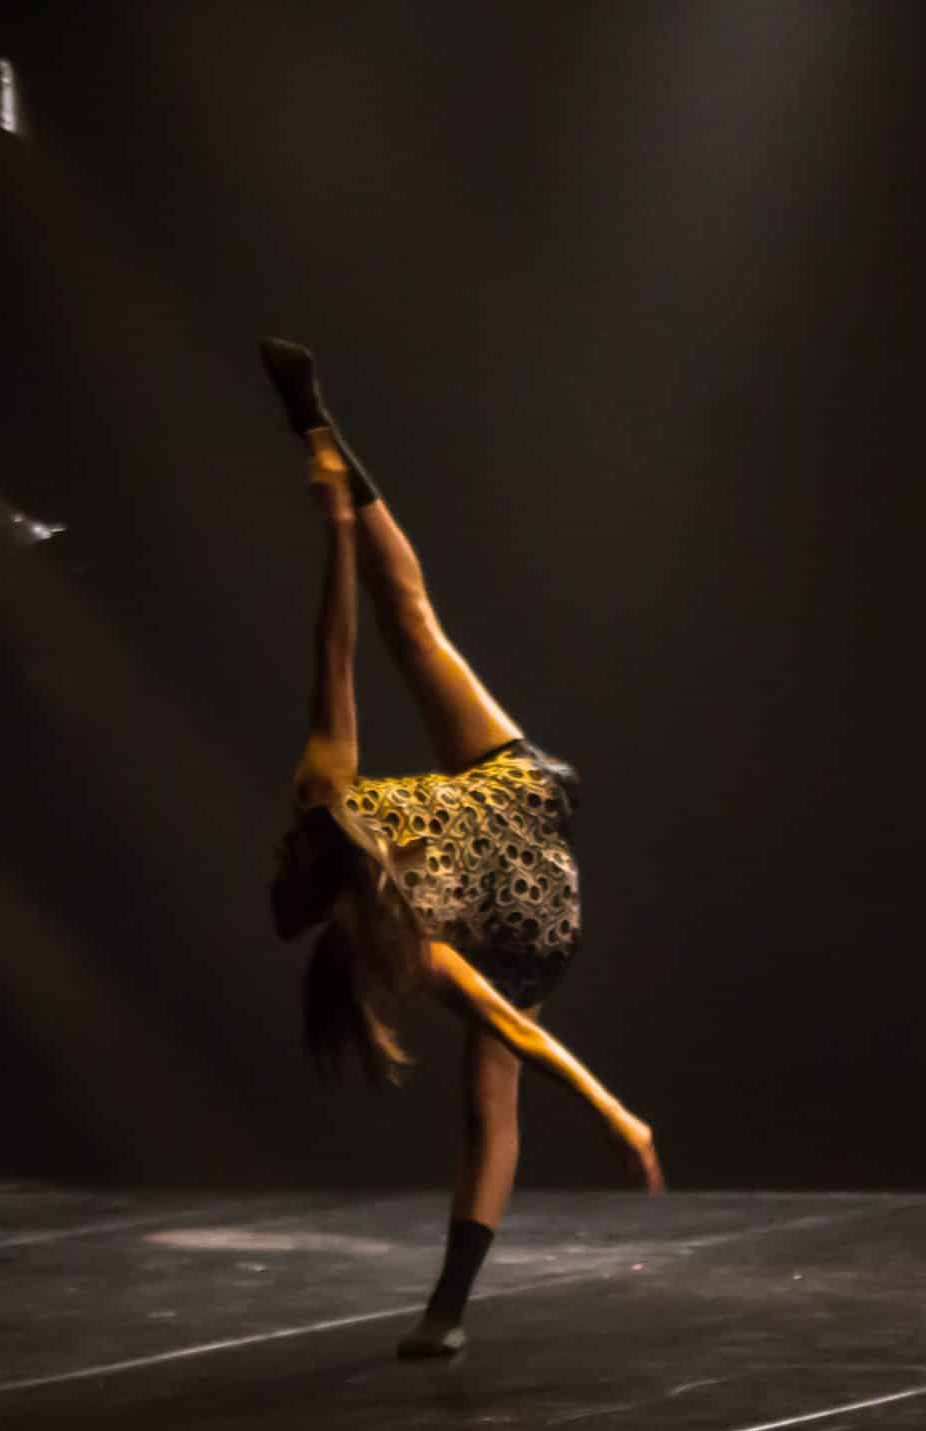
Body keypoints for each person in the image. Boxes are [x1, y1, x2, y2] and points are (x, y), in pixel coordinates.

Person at [259, 338, 663, 1361]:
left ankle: (318, 416)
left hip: (514, 790)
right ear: (326, 885)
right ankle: (449, 1308)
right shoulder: (407, 938)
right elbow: (519, 1031)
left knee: (410, 622)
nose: (277, 848)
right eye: (285, 867)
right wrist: (617, 1114)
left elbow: (338, 640)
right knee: (490, 1097)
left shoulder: (323, 790)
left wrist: (331, 503)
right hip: (535, 921)